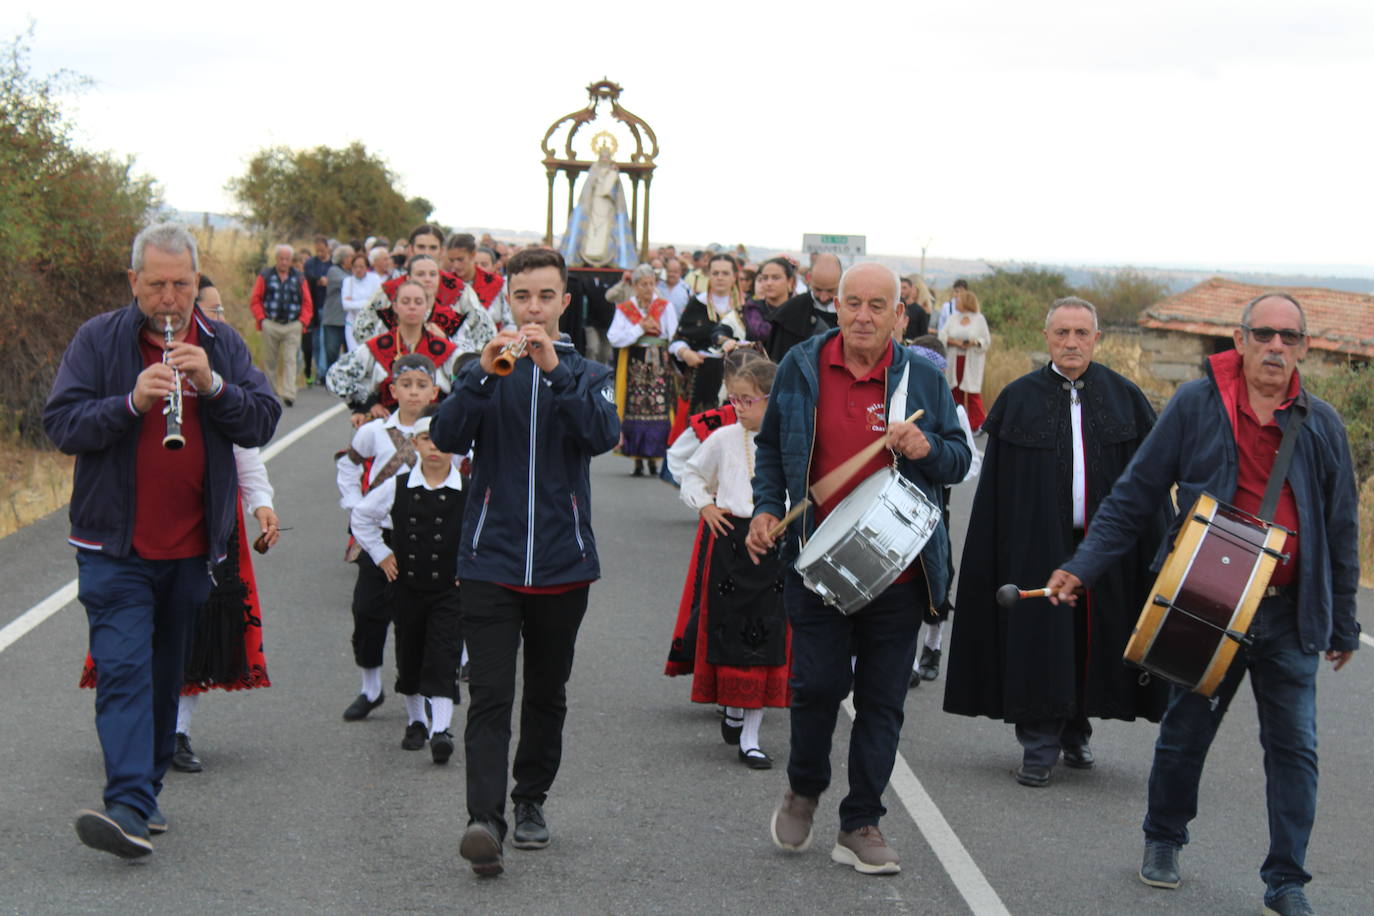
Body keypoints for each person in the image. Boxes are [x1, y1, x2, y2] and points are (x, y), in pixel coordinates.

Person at [1044, 293, 1360, 916]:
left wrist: (1342, 619)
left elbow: (1341, 526)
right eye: (1264, 334)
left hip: (1288, 612)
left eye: (1289, 337)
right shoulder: (1196, 404)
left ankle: (1286, 879)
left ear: (1303, 348)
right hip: (1203, 600)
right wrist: (1083, 566)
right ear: (1239, 341)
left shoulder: (1322, 424)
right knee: (1186, 731)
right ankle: (1164, 837)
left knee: (1296, 749)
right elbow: (1135, 494)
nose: (1276, 346)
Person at [44, 222, 279, 859]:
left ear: (196, 281)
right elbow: (61, 425)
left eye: (181, 284)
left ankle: (143, 794)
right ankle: (125, 804)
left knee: (162, 677)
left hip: (191, 551)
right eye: (156, 285)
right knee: (122, 671)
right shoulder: (98, 340)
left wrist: (214, 387)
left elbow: (262, 420)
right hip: (113, 549)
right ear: (133, 281)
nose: (169, 298)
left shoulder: (221, 344)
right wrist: (128, 404)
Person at [746, 262, 970, 876]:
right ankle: (804, 787)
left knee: (882, 701)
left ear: (899, 315)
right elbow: (772, 449)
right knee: (816, 686)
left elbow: (960, 458)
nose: (864, 317)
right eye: (854, 304)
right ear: (836, 307)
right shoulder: (802, 366)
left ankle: (861, 822)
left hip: (900, 569)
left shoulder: (924, 378)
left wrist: (928, 448)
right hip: (816, 562)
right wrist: (767, 509)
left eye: (878, 306)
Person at [430, 248, 620, 876]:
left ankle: (530, 798)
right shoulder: (481, 367)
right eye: (521, 296)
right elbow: (447, 436)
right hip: (490, 560)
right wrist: (482, 377)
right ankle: (484, 821)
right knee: (489, 696)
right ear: (506, 300)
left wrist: (554, 370)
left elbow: (601, 436)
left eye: (544, 296)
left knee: (545, 693)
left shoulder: (589, 372)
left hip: (564, 564)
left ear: (564, 302)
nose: (532, 308)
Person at [942, 298, 1169, 786]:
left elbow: (1148, 483)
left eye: (1081, 333)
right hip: (1034, 543)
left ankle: (1075, 729)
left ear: (1096, 339)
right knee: (1040, 641)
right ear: (1046, 338)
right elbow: (996, 492)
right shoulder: (1019, 398)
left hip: (1104, 549)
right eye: (1062, 333)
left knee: (1092, 641)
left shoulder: (1125, 397)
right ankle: (1039, 744)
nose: (1071, 342)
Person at [673, 355, 788, 767]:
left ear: (772, 400)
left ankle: (751, 736)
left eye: (747, 400)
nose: (737, 407)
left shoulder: (790, 440)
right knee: (731, 632)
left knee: (766, 638)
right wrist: (705, 505)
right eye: (734, 398)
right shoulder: (723, 438)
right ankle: (734, 708)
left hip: (774, 543)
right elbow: (691, 473)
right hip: (731, 542)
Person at [350, 406, 466, 764]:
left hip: (449, 589)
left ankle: (441, 729)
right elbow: (361, 516)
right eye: (428, 439)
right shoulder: (398, 487)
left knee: (444, 655)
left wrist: (471, 566)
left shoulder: (468, 490)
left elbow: (487, 531)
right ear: (415, 443)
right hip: (407, 587)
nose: (435, 447)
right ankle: (416, 721)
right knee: (410, 654)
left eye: (443, 440)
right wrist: (381, 553)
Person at [335, 354, 440, 720]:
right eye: (406, 385)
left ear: (434, 391)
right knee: (367, 611)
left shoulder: (443, 432)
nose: (413, 392)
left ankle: (426, 692)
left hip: (427, 539)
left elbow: (463, 468)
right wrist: (355, 504)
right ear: (393, 390)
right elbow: (348, 463)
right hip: (380, 537)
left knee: (422, 620)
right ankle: (371, 688)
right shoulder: (374, 431)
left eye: (421, 385)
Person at [900, 336, 979, 689]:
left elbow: (970, 462)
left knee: (939, 578)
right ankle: (908, 661)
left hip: (936, 509)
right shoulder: (901, 403)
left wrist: (936, 462)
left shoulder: (953, 411)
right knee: (905, 584)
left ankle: (934, 646)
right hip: (902, 508)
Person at [326, 276, 471, 424]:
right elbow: (336, 377)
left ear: (427, 306)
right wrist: (367, 404)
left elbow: (469, 381)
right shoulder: (378, 346)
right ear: (395, 306)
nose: (412, 307)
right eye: (405, 302)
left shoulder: (444, 349)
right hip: (386, 424)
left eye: (418, 302)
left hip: (433, 426)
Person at [608, 264, 678, 477]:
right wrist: (640, 329)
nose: (648, 288)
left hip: (659, 364)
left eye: (651, 283)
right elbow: (614, 338)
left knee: (659, 407)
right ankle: (637, 458)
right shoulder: (625, 309)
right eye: (643, 284)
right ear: (635, 286)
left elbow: (674, 335)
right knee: (634, 407)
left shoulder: (665, 307)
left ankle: (655, 458)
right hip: (635, 363)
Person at [670, 253, 746, 418]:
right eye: (715, 273)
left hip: (738, 380)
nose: (720, 277)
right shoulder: (697, 303)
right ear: (709, 276)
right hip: (701, 377)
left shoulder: (746, 307)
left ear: (734, 277)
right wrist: (685, 353)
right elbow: (678, 339)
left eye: (725, 273)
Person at [250, 243, 315, 407]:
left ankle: (289, 393)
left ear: (291, 260)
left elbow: (307, 302)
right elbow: (255, 299)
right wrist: (261, 319)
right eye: (281, 259)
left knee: (290, 359)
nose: (284, 262)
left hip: (293, 325)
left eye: (287, 259)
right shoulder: (265, 276)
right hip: (270, 323)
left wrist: (302, 322)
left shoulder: (299, 278)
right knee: (270, 361)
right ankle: (270, 392)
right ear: (276, 259)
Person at [560, 147, 635, 269]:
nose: (605, 159)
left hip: (607, 205)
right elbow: (588, 189)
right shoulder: (594, 171)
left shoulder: (613, 173)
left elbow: (611, 191)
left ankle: (608, 256)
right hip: (594, 203)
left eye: (607, 157)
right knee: (591, 229)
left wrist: (612, 175)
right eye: (603, 156)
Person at [765, 252, 841, 363]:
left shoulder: (849, 311)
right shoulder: (790, 313)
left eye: (830, 291)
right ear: (809, 279)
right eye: (818, 290)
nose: (823, 297)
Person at [938, 288, 990, 432]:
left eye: (959, 300)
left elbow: (985, 340)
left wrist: (974, 342)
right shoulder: (953, 318)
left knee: (972, 392)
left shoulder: (979, 319)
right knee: (955, 391)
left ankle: (978, 424)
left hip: (971, 360)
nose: (956, 302)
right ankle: (957, 422)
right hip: (954, 360)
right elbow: (942, 335)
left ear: (966, 302)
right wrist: (955, 342)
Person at [445, 232, 511, 329]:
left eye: (460, 259)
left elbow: (510, 321)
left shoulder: (497, 284)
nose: (455, 265)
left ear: (473, 255)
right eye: (451, 260)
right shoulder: (445, 284)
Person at [318, 244, 353, 380]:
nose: (353, 260)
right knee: (332, 352)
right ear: (343, 259)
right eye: (351, 257)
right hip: (333, 319)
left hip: (349, 321)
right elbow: (348, 282)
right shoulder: (333, 271)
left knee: (350, 352)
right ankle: (331, 379)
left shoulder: (353, 273)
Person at [742, 257, 795, 344]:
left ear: (790, 281)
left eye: (776, 278)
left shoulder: (799, 308)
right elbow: (759, 333)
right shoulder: (753, 308)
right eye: (765, 278)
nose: (769, 283)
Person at [341, 251, 381, 352]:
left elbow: (377, 302)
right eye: (355, 267)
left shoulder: (375, 279)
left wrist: (354, 302)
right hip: (352, 324)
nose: (358, 269)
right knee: (354, 352)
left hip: (371, 325)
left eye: (361, 266)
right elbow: (345, 305)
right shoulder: (348, 281)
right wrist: (367, 301)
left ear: (367, 267)